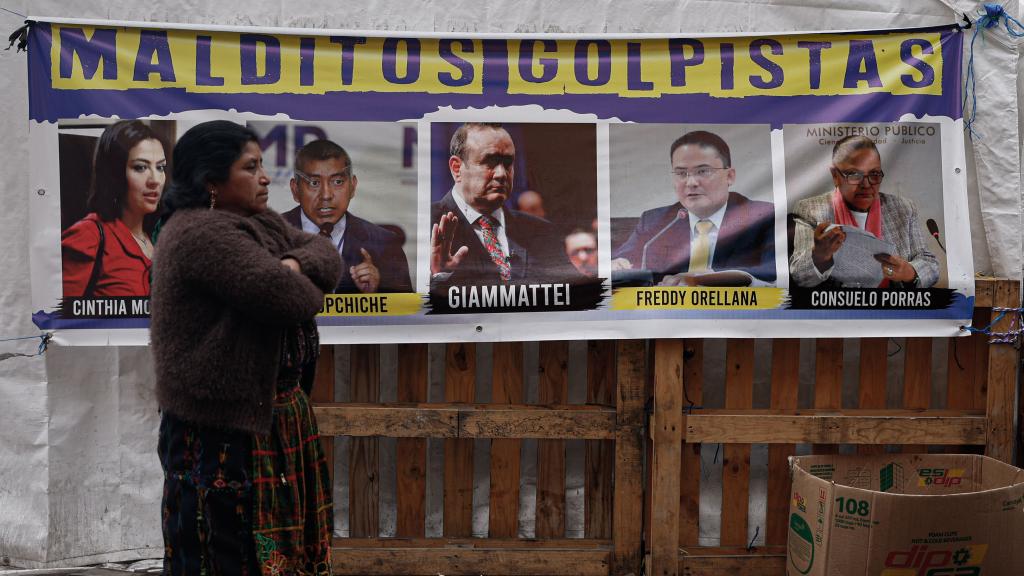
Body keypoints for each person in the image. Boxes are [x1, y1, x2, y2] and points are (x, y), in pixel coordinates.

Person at [150, 120, 341, 576]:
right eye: (250, 167)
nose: (264, 177)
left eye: (262, 165)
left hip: (271, 421)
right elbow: (288, 299)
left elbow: (328, 256)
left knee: (284, 550)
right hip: (223, 434)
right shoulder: (199, 233)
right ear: (211, 182)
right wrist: (298, 280)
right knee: (225, 552)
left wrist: (294, 263)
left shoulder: (259, 222)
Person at [612, 130, 776, 285]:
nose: (691, 183)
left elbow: (772, 272)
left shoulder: (763, 217)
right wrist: (621, 264)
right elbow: (625, 259)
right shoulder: (654, 221)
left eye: (703, 171)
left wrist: (702, 280)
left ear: (730, 176)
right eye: (681, 174)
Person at [430, 123, 580, 286]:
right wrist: (441, 278)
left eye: (508, 163)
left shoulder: (542, 232)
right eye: (490, 161)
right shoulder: (425, 225)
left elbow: (575, 296)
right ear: (457, 168)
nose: (502, 174)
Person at [789, 135, 939, 288]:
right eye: (854, 174)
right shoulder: (810, 210)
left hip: (892, 307)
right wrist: (819, 257)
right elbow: (800, 277)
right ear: (835, 176)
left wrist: (910, 272)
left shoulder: (903, 208)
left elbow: (929, 263)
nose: (866, 184)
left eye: (874, 174)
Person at [282, 139, 412, 293]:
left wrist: (376, 294)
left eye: (337, 181)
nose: (326, 195)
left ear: (352, 187)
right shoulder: (268, 236)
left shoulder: (386, 245)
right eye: (314, 183)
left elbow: (406, 313)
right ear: (295, 190)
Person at [61, 120, 169, 297]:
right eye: (140, 167)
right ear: (115, 172)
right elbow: (60, 318)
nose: (155, 180)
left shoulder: (158, 238)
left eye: (160, 167)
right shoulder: (88, 236)